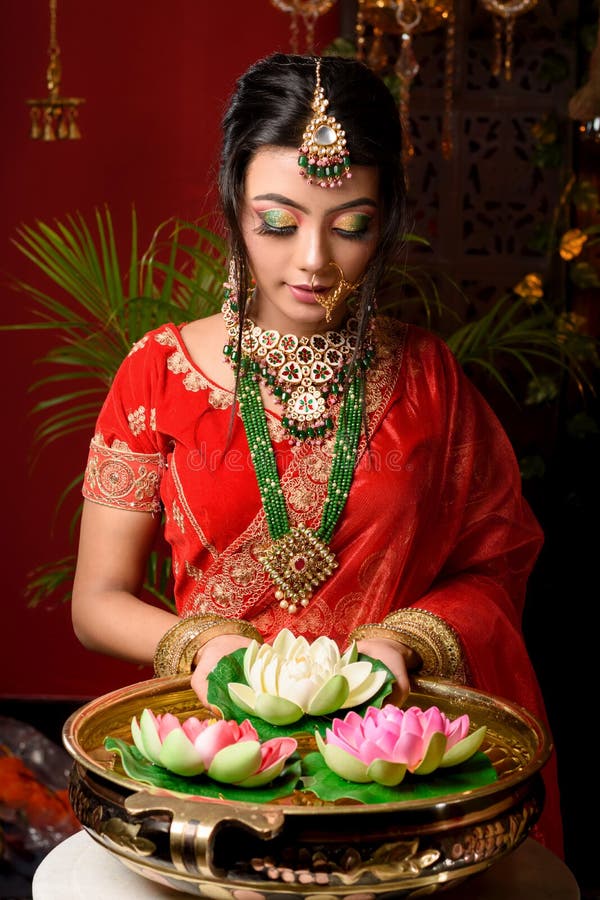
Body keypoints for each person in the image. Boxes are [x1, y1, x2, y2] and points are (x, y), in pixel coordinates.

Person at [71, 52, 563, 857]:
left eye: (350, 226)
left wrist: (404, 637)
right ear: (234, 202)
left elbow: (497, 560)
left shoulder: (428, 378)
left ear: (386, 219)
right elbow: (96, 600)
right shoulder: (157, 374)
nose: (313, 260)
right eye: (278, 221)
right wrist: (203, 644)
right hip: (216, 759)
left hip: (386, 762)